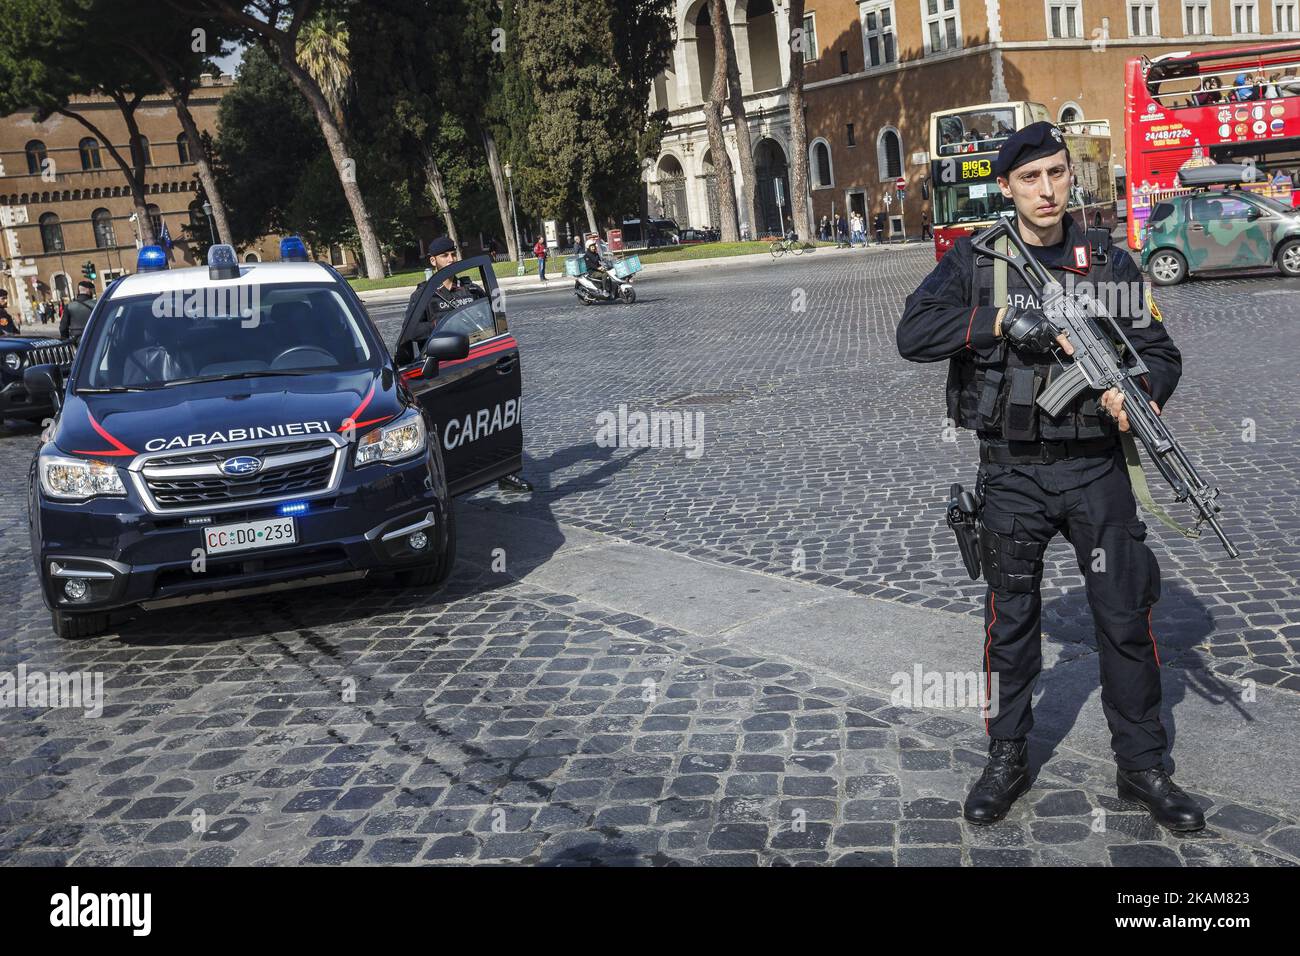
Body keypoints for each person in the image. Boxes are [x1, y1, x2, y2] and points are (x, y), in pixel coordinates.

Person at [896, 121, 1202, 834]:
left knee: (1125, 620)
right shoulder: (978, 260)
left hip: (1096, 469)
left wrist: (1142, 392)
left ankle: (1143, 765)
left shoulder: (1107, 264)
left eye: (1057, 174)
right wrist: (1001, 320)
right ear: (1005, 186)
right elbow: (913, 334)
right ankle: (1006, 757)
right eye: (1031, 178)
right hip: (1012, 475)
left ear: (1071, 178)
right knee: (1012, 624)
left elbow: (1161, 353)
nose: (1046, 189)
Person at [396, 236, 485, 365]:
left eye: (453, 254)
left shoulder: (471, 290)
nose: (451, 259)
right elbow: (410, 331)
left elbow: (493, 320)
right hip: (440, 365)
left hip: (475, 358)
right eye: (444, 256)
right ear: (433, 260)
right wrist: (443, 324)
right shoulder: (422, 295)